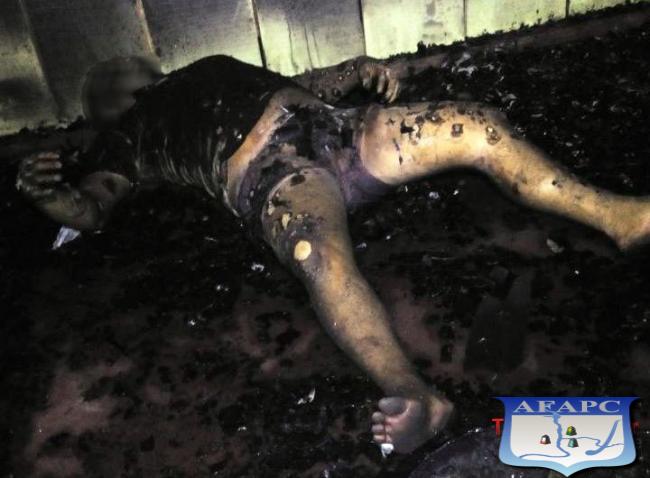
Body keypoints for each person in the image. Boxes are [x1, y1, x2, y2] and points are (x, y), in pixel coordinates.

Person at [15, 53, 650, 454]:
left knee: (476, 124)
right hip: (272, 174)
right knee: (319, 256)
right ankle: (414, 393)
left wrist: (359, 71)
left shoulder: (207, 66)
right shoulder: (127, 139)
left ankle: (621, 216)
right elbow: (92, 208)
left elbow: (304, 82)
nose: (122, 74)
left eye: (123, 70)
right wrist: (51, 198)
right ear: (101, 110)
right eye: (108, 82)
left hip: (337, 129)